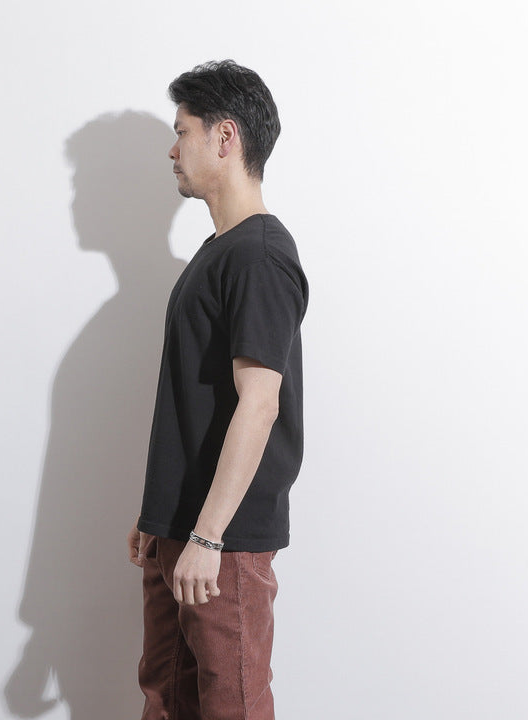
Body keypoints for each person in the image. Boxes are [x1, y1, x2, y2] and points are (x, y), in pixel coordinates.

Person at [127, 59, 309, 720]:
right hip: (182, 530)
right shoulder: (219, 251)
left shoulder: (259, 255)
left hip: (221, 542)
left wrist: (206, 537)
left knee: (233, 706)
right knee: (166, 701)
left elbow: (259, 403)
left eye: (183, 131)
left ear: (225, 137)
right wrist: (159, 515)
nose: (173, 150)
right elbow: (196, 399)